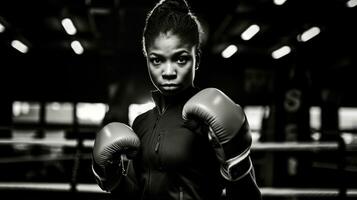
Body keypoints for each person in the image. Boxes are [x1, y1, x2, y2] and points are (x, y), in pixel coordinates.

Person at [91, 0, 262, 199]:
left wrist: (238, 162)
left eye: (180, 59)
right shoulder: (141, 123)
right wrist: (114, 178)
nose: (169, 72)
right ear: (147, 58)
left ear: (196, 57)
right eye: (157, 60)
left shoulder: (209, 121)